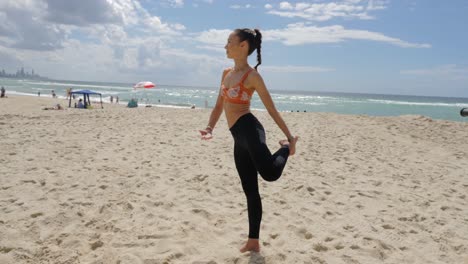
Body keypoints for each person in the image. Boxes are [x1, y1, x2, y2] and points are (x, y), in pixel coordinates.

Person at [199, 28, 298, 253]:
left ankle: (285, 147)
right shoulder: (226, 73)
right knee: (250, 190)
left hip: (250, 129)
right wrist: (209, 128)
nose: (225, 46)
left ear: (243, 46)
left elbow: (271, 109)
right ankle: (253, 241)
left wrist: (290, 137)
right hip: (237, 136)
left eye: (229, 42)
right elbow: (218, 105)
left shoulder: (252, 76)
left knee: (270, 174)